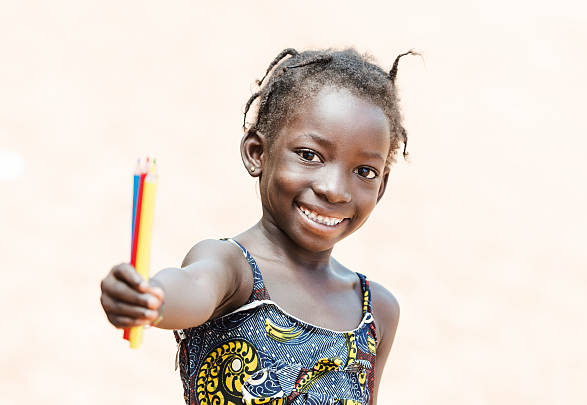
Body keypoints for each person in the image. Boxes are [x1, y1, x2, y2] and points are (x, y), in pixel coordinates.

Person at [100, 47, 416, 405]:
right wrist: (149, 299)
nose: (335, 189)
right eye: (310, 155)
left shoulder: (376, 311)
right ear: (257, 153)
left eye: (364, 172)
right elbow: (191, 286)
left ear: (382, 186)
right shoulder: (233, 268)